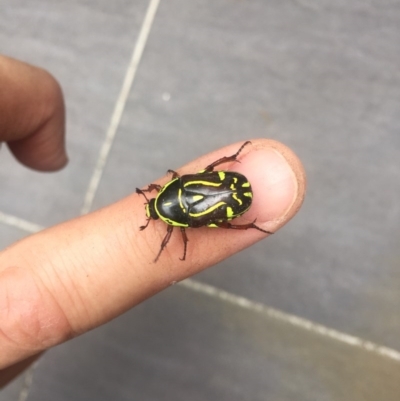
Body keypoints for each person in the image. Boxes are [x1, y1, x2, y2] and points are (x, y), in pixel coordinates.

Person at [0, 55, 306, 387]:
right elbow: (177, 185)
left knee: (218, 220)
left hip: (227, 200)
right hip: (227, 194)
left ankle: (247, 213)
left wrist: (167, 243)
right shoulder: (172, 188)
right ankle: (242, 181)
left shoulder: (180, 218)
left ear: (163, 195)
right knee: (212, 189)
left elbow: (181, 228)